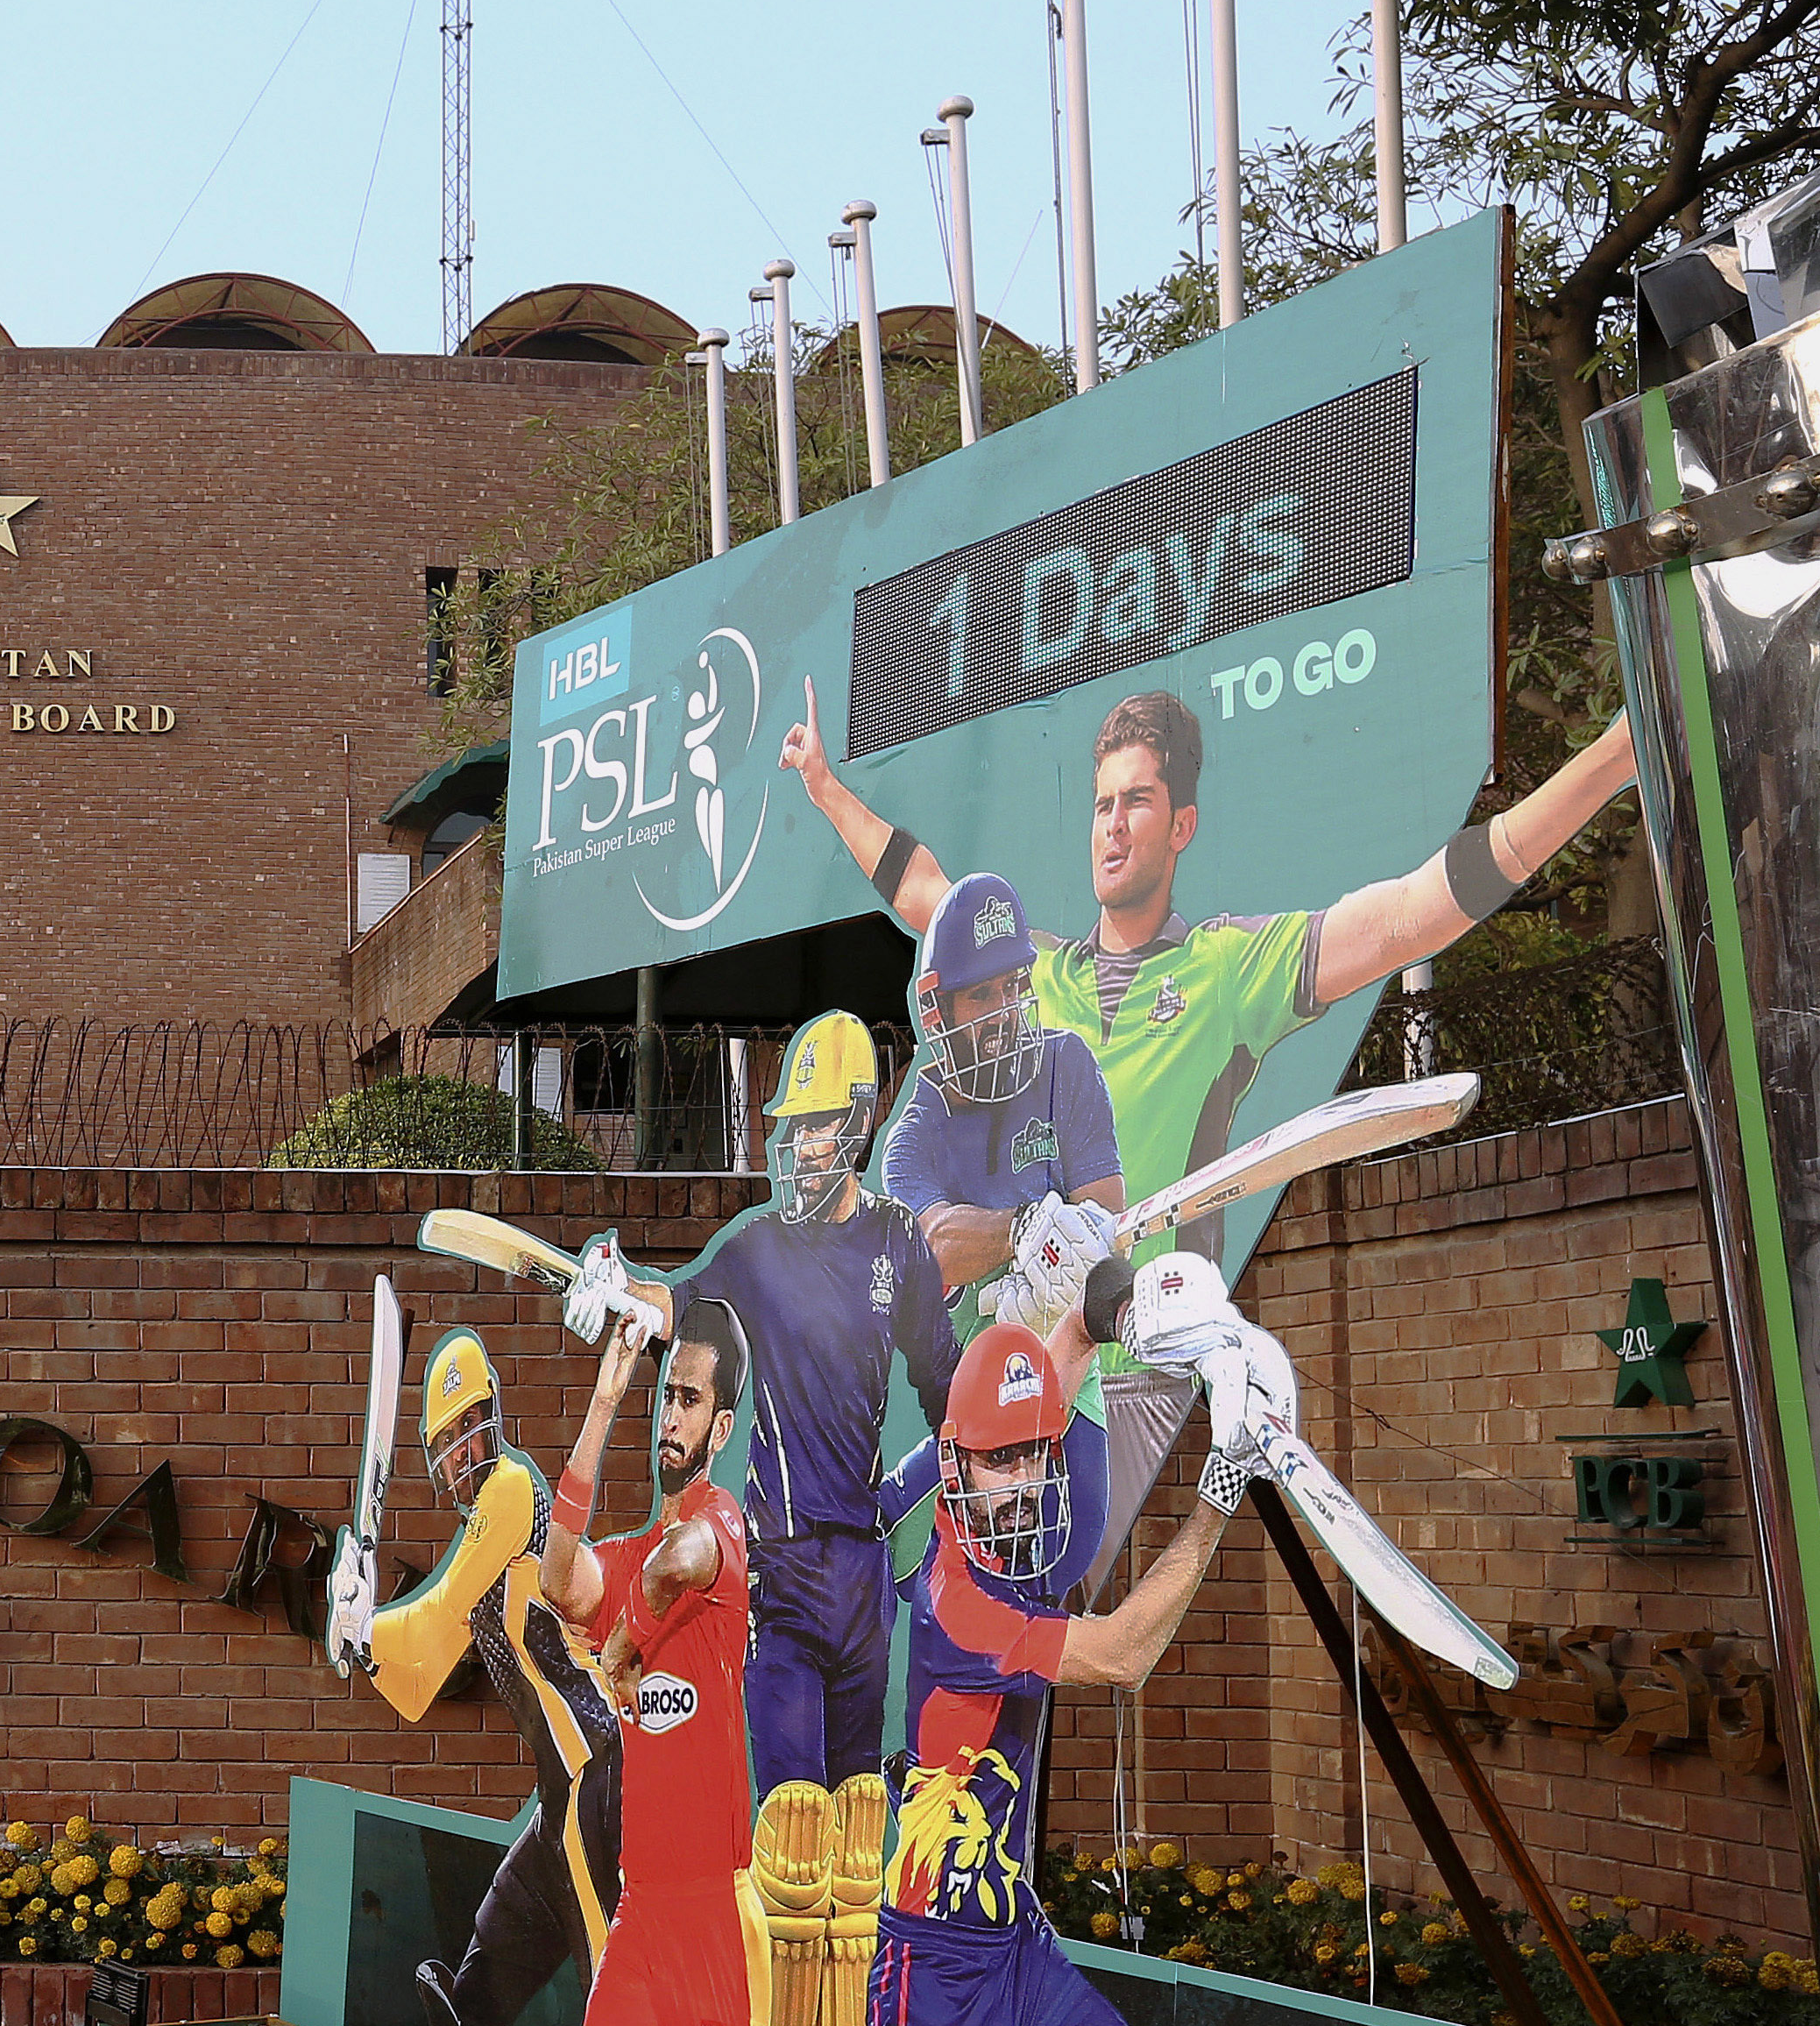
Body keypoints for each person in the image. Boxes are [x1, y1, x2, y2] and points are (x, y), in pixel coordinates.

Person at [790, 678, 1639, 1548]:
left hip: (1142, 1382)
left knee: (1077, 1646)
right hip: (1020, 1371)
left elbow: (1405, 918)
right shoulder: (1034, 978)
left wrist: (1611, 762)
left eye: (1138, 803)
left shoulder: (1230, 968)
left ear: (1182, 827)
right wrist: (824, 789)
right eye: (1101, 804)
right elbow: (922, 885)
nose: (1113, 824)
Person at [829, 1319, 1269, 2026]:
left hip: (1023, 1963)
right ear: (951, 1470)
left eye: (1037, 1455)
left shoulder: (1000, 1530)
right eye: (1004, 1461)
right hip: (928, 1993)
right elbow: (1122, 1655)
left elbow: (1030, 1391)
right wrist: (1220, 1493)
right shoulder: (953, 1607)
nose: (1028, 1484)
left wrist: (1090, 1315)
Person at [332, 1316, 636, 2026]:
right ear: (436, 1457)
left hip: (597, 1767)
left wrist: (371, 1622)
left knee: (615, 1994)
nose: (469, 1445)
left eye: (475, 1423)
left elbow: (431, 1616)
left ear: (496, 1415)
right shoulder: (479, 1538)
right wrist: (360, 1641)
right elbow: (415, 1684)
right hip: (560, 1790)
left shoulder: (509, 1490)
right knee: (466, 2006)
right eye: (454, 1434)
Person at [676, 1010, 958, 1794]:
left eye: (814, 1127)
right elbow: (678, 1308)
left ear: (860, 1123)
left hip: (863, 1569)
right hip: (781, 1564)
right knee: (793, 1818)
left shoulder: (897, 1239)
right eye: (791, 1129)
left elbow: (943, 1383)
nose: (798, 1147)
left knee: (857, 1814)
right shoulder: (756, 1248)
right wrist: (614, 1294)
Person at [541, 1306, 761, 2026]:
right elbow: (560, 1578)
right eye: (666, 1398)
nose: (670, 1416)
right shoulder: (629, 1552)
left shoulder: (725, 1527)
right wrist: (603, 1402)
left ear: (722, 1425)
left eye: (689, 1399)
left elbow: (683, 1563)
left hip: (715, 1925)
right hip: (642, 1919)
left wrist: (626, 1647)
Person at [869, 865, 1122, 1308]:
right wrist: (1024, 1230)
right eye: (981, 995)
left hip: (1071, 1354)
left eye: (1011, 987)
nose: (1003, 1012)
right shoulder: (912, 1141)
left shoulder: (1065, 1066)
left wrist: (1067, 1276)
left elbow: (1105, 1215)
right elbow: (937, 1242)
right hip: (969, 1367)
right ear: (938, 1011)